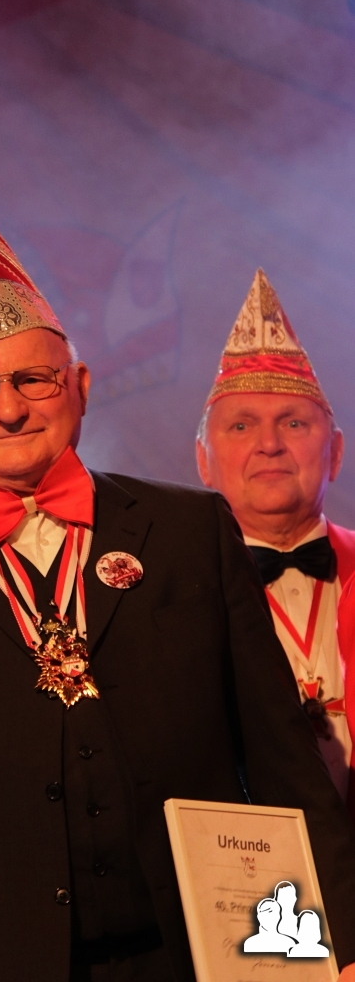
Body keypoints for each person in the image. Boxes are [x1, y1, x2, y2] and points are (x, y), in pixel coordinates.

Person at [0, 180, 355, 982]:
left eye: (32, 380)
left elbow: (284, 764)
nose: (8, 410)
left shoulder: (188, 530)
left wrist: (338, 943)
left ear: (80, 386)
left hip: (202, 958)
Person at [196, 269, 355, 807]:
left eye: (293, 424)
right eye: (241, 426)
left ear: (335, 452)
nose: (269, 444)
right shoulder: (173, 596)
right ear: (203, 461)